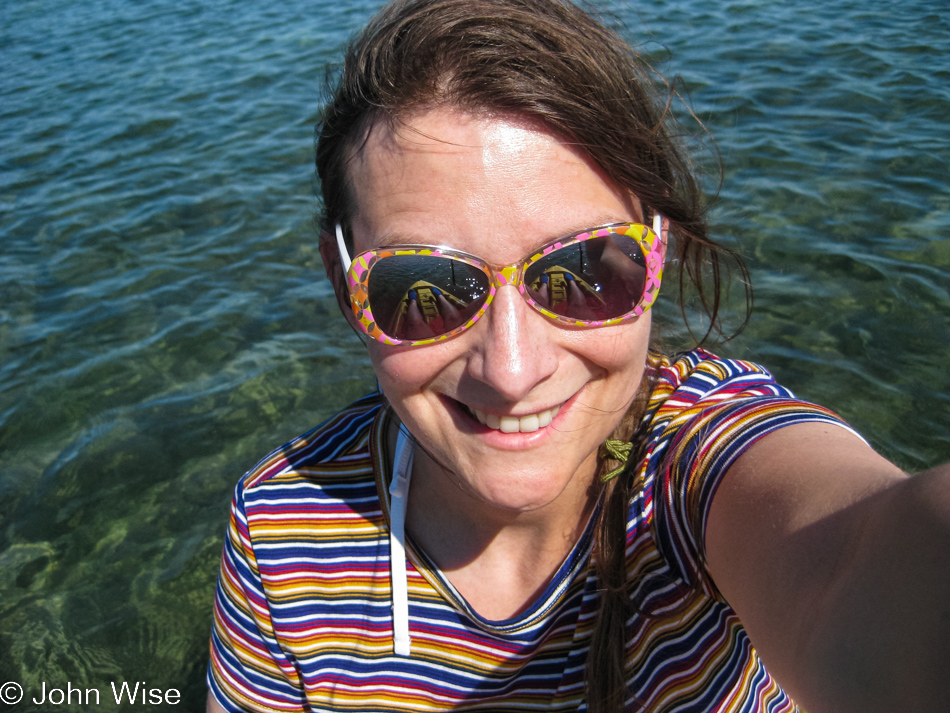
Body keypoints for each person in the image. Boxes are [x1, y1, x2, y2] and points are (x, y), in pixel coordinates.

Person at [205, 0, 950, 711]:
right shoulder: (281, 528)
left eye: (585, 271)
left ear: (656, 251)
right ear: (346, 288)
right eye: (422, 285)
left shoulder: (697, 462)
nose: (512, 367)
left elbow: (851, 565)